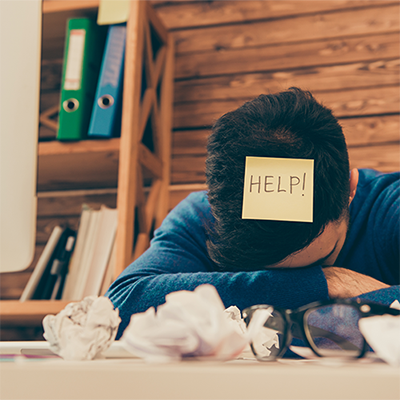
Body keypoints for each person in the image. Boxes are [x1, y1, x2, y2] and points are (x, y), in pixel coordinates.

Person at [106, 87, 400, 338]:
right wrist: (327, 282)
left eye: (321, 260)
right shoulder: (202, 217)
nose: (292, 277)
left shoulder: (391, 209)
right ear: (217, 206)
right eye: (262, 270)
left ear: (349, 190)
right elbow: (120, 305)